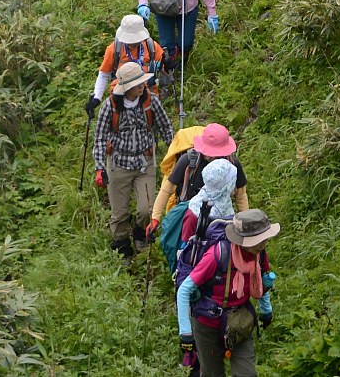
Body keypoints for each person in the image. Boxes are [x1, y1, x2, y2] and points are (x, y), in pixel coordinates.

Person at [176, 208, 279, 377]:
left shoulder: (258, 253)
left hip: (240, 321)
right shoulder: (217, 254)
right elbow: (184, 290)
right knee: (212, 374)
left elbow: (260, 281)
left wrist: (266, 310)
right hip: (208, 323)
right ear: (242, 240)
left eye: (264, 239)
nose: (263, 244)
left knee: (247, 374)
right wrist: (186, 333)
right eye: (258, 240)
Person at [92, 61, 175, 262]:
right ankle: (122, 248)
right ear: (127, 87)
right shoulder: (109, 107)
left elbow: (166, 128)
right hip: (119, 164)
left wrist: (176, 154)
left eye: (143, 82)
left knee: (146, 209)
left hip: (145, 163)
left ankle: (141, 235)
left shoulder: (151, 101)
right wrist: (100, 168)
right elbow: (100, 138)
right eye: (138, 84)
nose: (143, 86)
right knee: (119, 214)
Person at [146, 123, 250, 244]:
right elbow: (166, 190)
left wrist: (245, 222)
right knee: (184, 252)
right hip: (189, 217)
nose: (214, 157)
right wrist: (155, 218)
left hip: (219, 219)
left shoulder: (232, 164)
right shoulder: (188, 160)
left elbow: (241, 195)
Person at [87, 14, 168, 118]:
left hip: (148, 98)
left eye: (134, 41)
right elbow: (103, 75)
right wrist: (97, 97)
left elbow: (163, 69)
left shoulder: (151, 46)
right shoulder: (114, 49)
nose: (131, 44)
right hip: (121, 98)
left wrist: (167, 66)